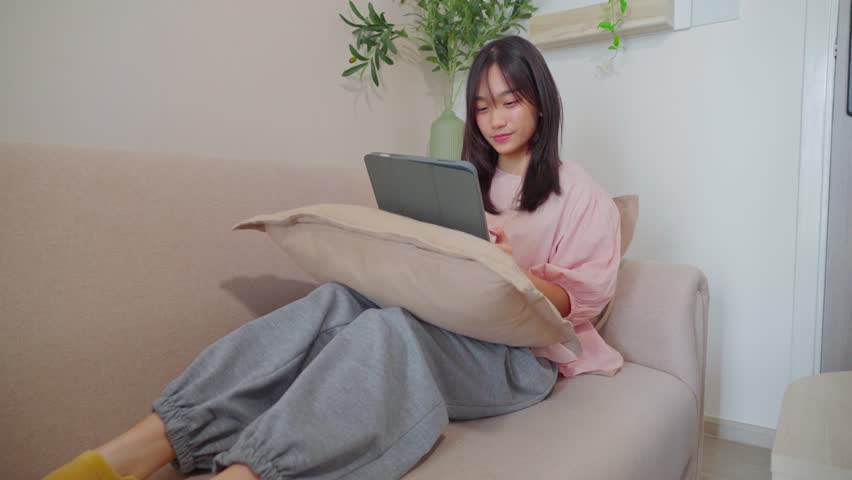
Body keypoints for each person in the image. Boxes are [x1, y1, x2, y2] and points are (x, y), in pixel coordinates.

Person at [43, 35, 623, 480]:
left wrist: (505, 271)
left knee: (388, 331)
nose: (494, 119)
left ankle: (249, 472)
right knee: (336, 301)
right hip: (442, 318)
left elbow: (579, 302)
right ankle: (133, 451)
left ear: (540, 105)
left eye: (509, 101)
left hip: (513, 361)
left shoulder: (581, 193)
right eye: (481, 106)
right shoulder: (462, 181)